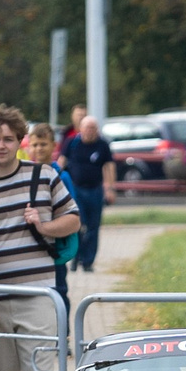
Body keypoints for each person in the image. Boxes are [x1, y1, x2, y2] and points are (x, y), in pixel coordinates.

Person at [0, 104, 80, 371]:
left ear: (20, 140)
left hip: (38, 297)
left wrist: (44, 226)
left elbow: (74, 221)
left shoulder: (43, 175)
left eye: (8, 138)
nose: (1, 145)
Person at [24, 123, 76, 304]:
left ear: (54, 146)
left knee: (59, 290)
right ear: (28, 146)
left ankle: (64, 331)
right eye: (35, 144)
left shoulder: (62, 176)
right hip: (30, 247)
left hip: (54, 245)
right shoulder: (24, 175)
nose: (39, 149)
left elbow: (72, 211)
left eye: (43, 144)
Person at [61, 113, 117, 270]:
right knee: (77, 225)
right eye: (87, 128)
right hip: (76, 189)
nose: (90, 131)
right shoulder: (72, 143)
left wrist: (110, 188)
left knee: (93, 227)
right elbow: (62, 161)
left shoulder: (102, 145)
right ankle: (75, 257)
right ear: (81, 129)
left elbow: (109, 166)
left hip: (95, 190)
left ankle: (88, 261)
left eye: (93, 128)